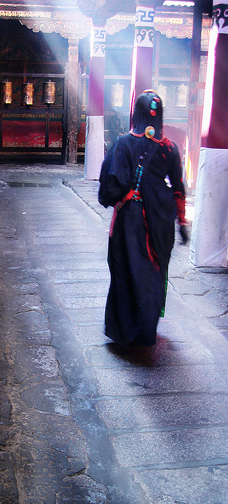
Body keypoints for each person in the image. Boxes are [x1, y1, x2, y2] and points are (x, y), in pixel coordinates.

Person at [98, 89, 188, 347]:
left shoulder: (122, 144)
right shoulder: (169, 148)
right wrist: (181, 222)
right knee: (153, 272)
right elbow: (179, 187)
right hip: (159, 222)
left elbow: (109, 188)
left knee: (126, 271)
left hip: (130, 220)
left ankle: (125, 330)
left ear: (135, 113)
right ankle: (147, 330)